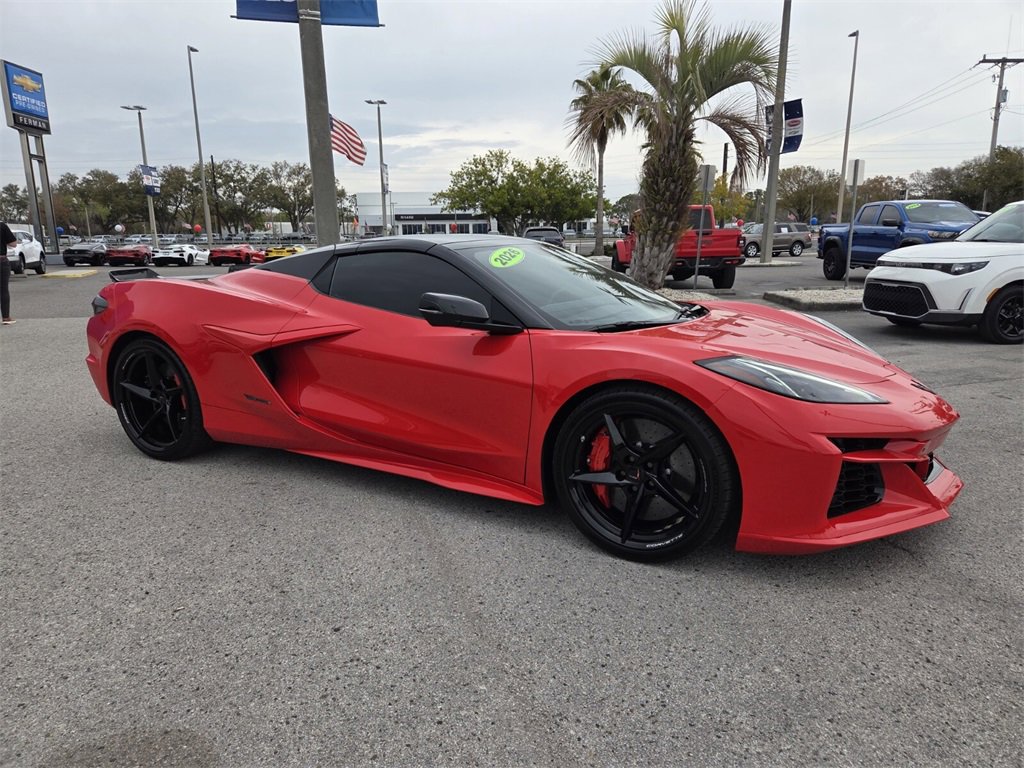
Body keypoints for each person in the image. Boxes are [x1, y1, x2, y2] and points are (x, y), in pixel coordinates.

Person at [1, 220, 16, 324]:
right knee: (3, 290)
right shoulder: (2, 226)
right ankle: (6, 317)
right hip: (1, 261)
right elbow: (13, 244)